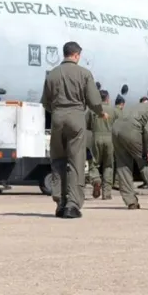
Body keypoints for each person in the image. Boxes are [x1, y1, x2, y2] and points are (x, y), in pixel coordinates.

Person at [40, 41, 106, 219]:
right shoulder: (84, 73)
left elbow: (45, 102)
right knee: (75, 162)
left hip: (57, 118)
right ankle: (72, 204)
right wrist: (100, 113)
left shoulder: (52, 74)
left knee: (58, 160)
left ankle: (60, 202)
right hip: (76, 117)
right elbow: (94, 101)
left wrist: (57, 111)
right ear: (76, 55)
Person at [112, 102, 148, 210]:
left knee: (123, 166)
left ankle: (131, 202)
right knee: (146, 161)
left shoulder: (143, 106)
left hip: (116, 128)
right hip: (131, 129)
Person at [89, 90, 116, 200]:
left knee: (94, 163)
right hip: (110, 138)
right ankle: (107, 193)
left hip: (96, 137)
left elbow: (86, 124)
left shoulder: (92, 110)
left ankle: (96, 180)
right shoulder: (114, 110)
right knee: (108, 165)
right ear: (107, 98)